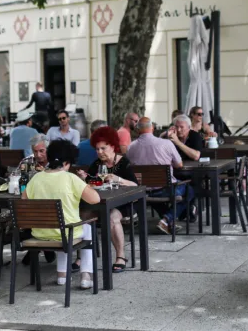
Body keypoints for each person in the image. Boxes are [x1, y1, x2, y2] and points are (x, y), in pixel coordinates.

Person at [24, 139, 101, 290]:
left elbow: (24, 201)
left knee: (62, 226)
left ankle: (62, 275)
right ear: (67, 162)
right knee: (85, 228)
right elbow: (95, 199)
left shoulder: (36, 178)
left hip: (40, 233)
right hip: (65, 233)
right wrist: (83, 183)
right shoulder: (70, 178)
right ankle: (86, 275)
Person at [77, 126, 138, 273]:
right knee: (83, 216)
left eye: (103, 148)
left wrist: (118, 179)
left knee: (112, 218)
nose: (99, 152)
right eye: (97, 149)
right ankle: (82, 257)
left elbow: (135, 185)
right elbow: (92, 183)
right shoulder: (97, 164)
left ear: (112, 146)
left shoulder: (124, 163)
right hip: (102, 203)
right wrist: (85, 179)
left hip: (123, 202)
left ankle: (120, 256)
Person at [127, 117, 193, 234]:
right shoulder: (166, 143)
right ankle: (167, 219)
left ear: (138, 130)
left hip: (144, 190)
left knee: (152, 194)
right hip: (166, 189)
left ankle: (167, 221)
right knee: (190, 190)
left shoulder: (130, 147)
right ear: (152, 127)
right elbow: (179, 164)